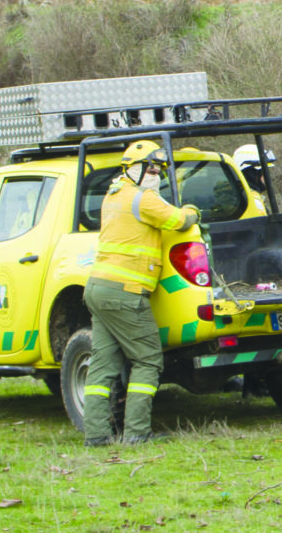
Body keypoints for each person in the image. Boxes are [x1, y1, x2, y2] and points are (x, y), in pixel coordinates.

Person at [82, 139, 202, 447]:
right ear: (132, 168)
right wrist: (192, 210)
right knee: (147, 360)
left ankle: (96, 435)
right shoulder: (143, 199)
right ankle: (137, 432)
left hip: (98, 288)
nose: (155, 175)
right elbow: (179, 221)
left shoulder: (113, 194)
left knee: (103, 365)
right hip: (125, 292)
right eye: (150, 169)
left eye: (159, 170)